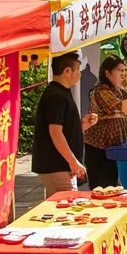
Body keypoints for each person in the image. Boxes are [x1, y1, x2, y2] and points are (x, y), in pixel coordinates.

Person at [32, 52, 98, 195]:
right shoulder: (55, 95)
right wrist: (73, 161)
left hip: (61, 165)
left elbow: (63, 128)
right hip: (57, 165)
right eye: (78, 71)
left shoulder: (61, 92)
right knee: (66, 208)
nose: (80, 75)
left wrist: (82, 125)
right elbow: (55, 132)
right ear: (67, 71)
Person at [84, 56, 127, 190]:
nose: (124, 74)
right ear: (107, 73)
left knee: (115, 190)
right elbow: (120, 107)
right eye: (120, 70)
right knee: (103, 190)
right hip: (100, 150)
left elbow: (124, 114)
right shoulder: (101, 91)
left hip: (116, 149)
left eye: (125, 70)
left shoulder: (120, 91)